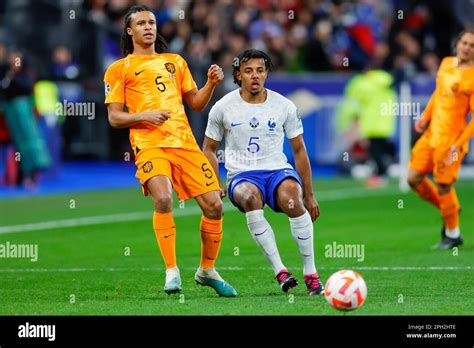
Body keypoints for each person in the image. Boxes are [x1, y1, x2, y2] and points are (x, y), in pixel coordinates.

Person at [103, 5, 236, 297]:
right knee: (163, 198)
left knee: (214, 205)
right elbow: (114, 117)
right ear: (130, 31)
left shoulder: (175, 61)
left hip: (184, 144)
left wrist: (211, 84)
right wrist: (144, 116)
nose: (148, 27)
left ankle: (207, 270)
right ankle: (172, 271)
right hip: (150, 144)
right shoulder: (119, 68)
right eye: (141, 23)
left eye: (151, 22)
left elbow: (197, 103)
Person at [203, 49, 324, 295]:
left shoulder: (284, 106)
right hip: (242, 176)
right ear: (238, 75)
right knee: (250, 198)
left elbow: (299, 151)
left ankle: (311, 274)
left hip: (277, 171)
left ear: (267, 73)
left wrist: (309, 194)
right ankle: (280, 271)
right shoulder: (222, 107)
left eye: (260, 70)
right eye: (248, 71)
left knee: (293, 199)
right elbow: (208, 149)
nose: (255, 76)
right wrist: (214, 183)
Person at [407, 30, 474, 249]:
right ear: (458, 43)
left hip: (451, 141)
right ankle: (450, 208)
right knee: (413, 178)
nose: (466, 47)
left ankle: (453, 235)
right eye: (464, 42)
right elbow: (438, 93)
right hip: (431, 134)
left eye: (471, 45)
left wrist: (459, 143)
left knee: (444, 185)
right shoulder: (446, 63)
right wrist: (425, 117)